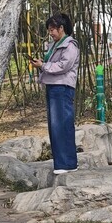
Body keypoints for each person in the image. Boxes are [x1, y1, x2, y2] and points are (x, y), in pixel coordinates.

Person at [30, 13, 79, 173]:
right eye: (49, 30)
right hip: (53, 86)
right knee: (55, 126)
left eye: (52, 29)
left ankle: (66, 164)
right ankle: (65, 163)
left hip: (62, 87)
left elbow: (63, 66)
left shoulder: (70, 45)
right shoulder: (55, 44)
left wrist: (43, 66)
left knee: (62, 125)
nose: (50, 33)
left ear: (61, 28)